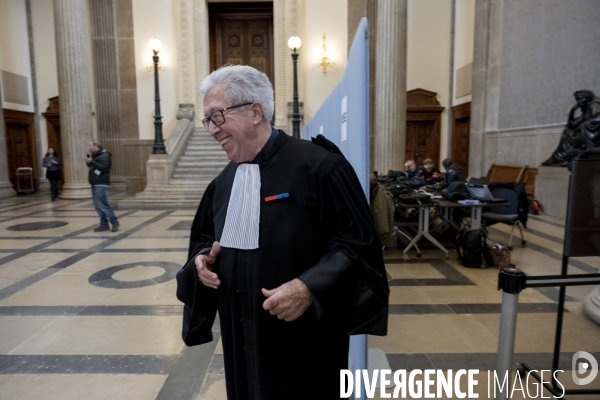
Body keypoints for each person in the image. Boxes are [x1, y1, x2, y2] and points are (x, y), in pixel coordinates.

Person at [179, 65, 389, 399]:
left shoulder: (321, 167)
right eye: (208, 120)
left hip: (304, 344)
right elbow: (205, 242)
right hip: (241, 343)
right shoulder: (222, 184)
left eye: (216, 116)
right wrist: (201, 263)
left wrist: (309, 287)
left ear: (255, 112)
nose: (211, 129)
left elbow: (357, 245)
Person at [542, 90, 600, 167]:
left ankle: (559, 158)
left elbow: (598, 119)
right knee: (567, 131)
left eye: (580, 99)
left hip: (592, 135)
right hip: (585, 133)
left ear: (588, 98)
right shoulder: (587, 109)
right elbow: (570, 124)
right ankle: (558, 157)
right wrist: (573, 110)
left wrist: (583, 125)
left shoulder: (594, 106)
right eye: (577, 99)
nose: (579, 102)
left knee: (568, 134)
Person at [85, 140, 119, 232]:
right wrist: (89, 161)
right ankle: (104, 225)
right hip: (95, 183)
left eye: (90, 145)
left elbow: (104, 168)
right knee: (97, 206)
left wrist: (92, 162)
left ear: (96, 146)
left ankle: (114, 222)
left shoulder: (104, 156)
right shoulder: (97, 156)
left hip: (101, 184)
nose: (89, 147)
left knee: (103, 205)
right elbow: (93, 167)